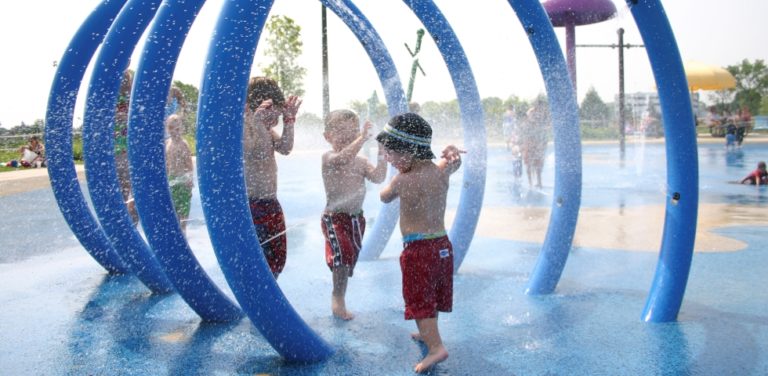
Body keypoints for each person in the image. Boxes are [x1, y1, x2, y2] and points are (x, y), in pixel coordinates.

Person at [376, 112, 463, 373]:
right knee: (432, 295)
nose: (388, 159)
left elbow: (384, 197)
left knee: (418, 299)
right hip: (443, 246)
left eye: (390, 153)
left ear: (410, 152)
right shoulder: (440, 172)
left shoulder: (401, 180)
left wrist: (389, 186)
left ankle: (436, 348)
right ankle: (429, 334)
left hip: (418, 249)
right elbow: (453, 163)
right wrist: (451, 154)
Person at [320, 109, 387, 320]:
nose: (349, 137)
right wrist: (361, 138)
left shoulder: (361, 160)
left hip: (356, 220)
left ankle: (340, 290)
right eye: (342, 132)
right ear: (327, 136)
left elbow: (378, 177)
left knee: (348, 260)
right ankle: (337, 298)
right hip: (335, 217)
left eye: (353, 132)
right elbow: (342, 158)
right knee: (342, 256)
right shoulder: (329, 156)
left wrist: (381, 153)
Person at [243, 77, 301, 279]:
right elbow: (251, 152)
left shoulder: (267, 130)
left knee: (276, 259)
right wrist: (258, 124)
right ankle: (258, 299)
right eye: (273, 113)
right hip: (252, 206)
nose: (275, 117)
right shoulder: (246, 128)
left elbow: (285, 148)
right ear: (255, 107)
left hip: (271, 203)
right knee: (259, 260)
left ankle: (269, 296)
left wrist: (289, 121)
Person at [114, 69, 139, 225]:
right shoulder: (111, 97)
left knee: (135, 197)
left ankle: (131, 228)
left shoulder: (133, 98)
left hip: (130, 153)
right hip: (118, 153)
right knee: (122, 195)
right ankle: (122, 227)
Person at [165, 114, 194, 234]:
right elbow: (167, 163)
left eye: (176, 129)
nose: (174, 131)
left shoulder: (184, 144)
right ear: (167, 129)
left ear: (181, 129)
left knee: (183, 214)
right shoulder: (167, 143)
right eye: (171, 128)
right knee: (173, 212)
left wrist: (189, 179)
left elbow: (189, 165)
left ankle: (183, 233)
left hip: (183, 180)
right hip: (172, 180)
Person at [520, 99, 549, 189]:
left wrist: (544, 143)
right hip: (529, 143)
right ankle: (530, 183)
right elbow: (525, 125)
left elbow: (544, 130)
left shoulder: (540, 117)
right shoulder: (530, 116)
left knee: (538, 164)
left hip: (537, 144)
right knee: (529, 164)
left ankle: (539, 182)